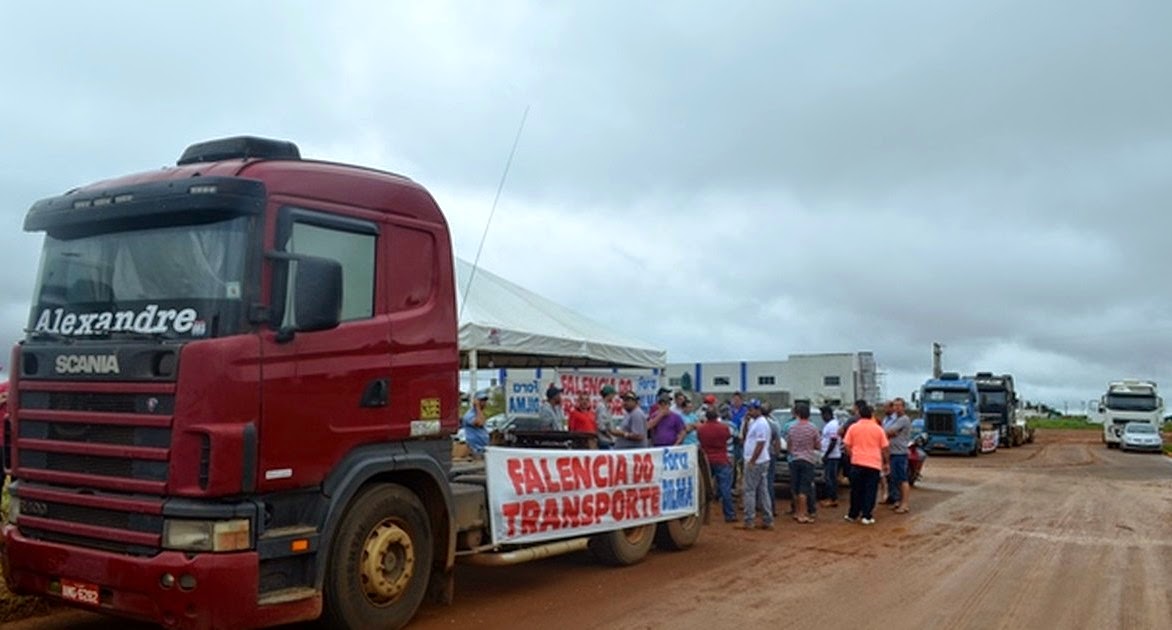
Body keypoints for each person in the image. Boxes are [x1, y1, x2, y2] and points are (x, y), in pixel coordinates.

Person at [843, 401, 890, 525]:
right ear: (871, 415)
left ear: (859, 414)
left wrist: (852, 454)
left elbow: (846, 444)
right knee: (870, 490)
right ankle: (866, 515)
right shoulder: (878, 429)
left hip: (857, 462)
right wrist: (886, 462)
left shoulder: (853, 427)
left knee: (856, 489)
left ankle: (853, 514)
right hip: (873, 463)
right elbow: (885, 448)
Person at [738, 399, 774, 530]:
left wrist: (752, 460)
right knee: (762, 490)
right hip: (760, 460)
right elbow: (748, 437)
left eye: (751, 409)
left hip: (757, 461)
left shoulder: (761, 424)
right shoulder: (755, 422)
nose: (749, 411)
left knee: (749, 491)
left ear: (758, 410)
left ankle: (749, 520)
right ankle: (767, 519)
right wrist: (746, 422)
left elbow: (761, 443)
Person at [697, 408, 735, 522]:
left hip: (706, 460)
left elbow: (700, 439)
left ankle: (702, 515)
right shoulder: (724, 428)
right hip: (721, 458)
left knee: (703, 488)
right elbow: (728, 438)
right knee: (725, 488)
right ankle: (729, 515)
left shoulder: (701, 429)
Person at [786, 402, 822, 523]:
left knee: (795, 487)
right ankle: (802, 514)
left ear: (797, 414)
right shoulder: (813, 428)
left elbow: (789, 445)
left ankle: (797, 512)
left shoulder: (791, 427)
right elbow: (818, 445)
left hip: (794, 459)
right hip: (807, 460)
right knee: (804, 488)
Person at [884, 397, 913, 513]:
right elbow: (888, 431)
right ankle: (899, 501)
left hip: (900, 453)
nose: (896, 408)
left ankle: (905, 504)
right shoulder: (895, 419)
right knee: (895, 479)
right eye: (895, 405)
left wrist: (890, 433)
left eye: (899, 405)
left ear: (903, 407)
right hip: (893, 453)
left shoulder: (904, 419)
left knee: (902, 479)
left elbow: (887, 431)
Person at [819, 405, 842, 507]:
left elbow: (833, 441)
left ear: (827, 414)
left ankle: (832, 499)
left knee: (830, 478)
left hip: (832, 456)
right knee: (829, 478)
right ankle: (831, 498)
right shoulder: (830, 424)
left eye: (823, 415)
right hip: (830, 455)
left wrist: (826, 455)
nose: (822, 417)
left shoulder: (832, 425)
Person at [462, 390, 490, 458]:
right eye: (482, 400)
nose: (484, 402)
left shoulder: (479, 413)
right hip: (475, 450)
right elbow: (480, 423)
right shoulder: (469, 415)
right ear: (476, 401)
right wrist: (477, 407)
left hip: (483, 448)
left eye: (485, 400)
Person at [595, 385, 619, 449]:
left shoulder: (606, 406)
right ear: (609, 394)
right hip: (605, 441)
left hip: (607, 440)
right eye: (613, 395)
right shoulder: (602, 407)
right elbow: (601, 426)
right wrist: (611, 436)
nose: (613, 397)